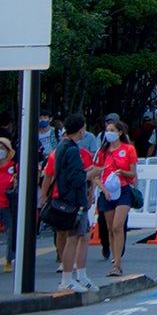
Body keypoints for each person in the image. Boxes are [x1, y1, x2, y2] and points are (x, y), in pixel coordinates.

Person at [50, 114, 93, 293]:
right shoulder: (72, 150)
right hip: (74, 200)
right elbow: (76, 178)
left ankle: (80, 276)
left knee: (81, 237)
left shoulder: (61, 147)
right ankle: (68, 279)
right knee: (73, 239)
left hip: (67, 198)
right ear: (81, 128)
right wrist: (91, 173)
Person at [95, 120, 138, 276]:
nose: (109, 133)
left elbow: (133, 173)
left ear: (120, 132)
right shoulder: (102, 151)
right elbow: (96, 174)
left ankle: (118, 264)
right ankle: (115, 259)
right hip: (107, 192)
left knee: (117, 226)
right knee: (110, 229)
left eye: (112, 130)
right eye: (107, 130)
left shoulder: (128, 149)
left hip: (123, 190)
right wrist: (103, 190)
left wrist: (122, 172)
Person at [0, 137, 18, 273]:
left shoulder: (14, 167)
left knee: (10, 232)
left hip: (7, 204)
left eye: (2, 149)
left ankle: (8, 260)